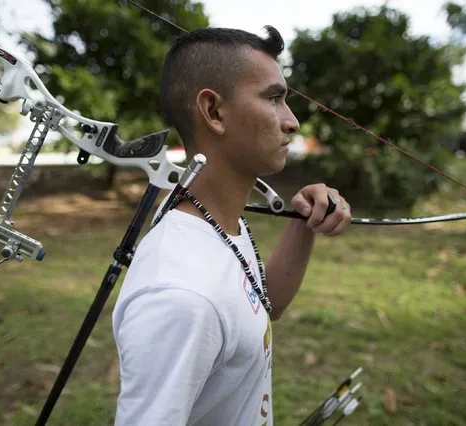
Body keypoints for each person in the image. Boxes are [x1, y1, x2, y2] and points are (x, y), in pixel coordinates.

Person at [111, 25, 352, 426]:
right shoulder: (181, 296)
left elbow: (259, 302)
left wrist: (304, 224)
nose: (292, 122)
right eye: (274, 98)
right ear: (214, 112)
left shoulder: (216, 224)